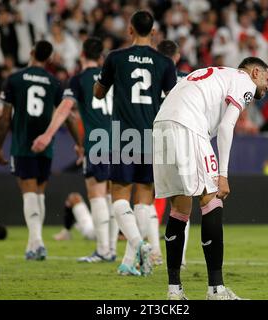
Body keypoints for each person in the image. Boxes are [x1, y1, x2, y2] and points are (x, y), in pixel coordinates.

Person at [153, 57, 268, 299]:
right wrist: (223, 175)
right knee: (212, 199)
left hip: (162, 124)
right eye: (267, 79)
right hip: (189, 125)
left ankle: (174, 291)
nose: (267, 86)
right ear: (256, 72)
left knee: (179, 208)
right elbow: (227, 127)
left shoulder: (215, 73)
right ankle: (216, 290)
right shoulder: (244, 81)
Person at [94, 10, 177, 276]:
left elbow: (99, 93)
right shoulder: (165, 63)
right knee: (144, 200)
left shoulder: (115, 58)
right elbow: (172, 99)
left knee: (118, 195)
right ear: (153, 32)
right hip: (152, 136)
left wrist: (105, 80)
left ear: (130, 30)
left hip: (123, 135)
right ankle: (130, 261)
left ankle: (138, 247)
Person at [32, 37, 118, 262]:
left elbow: (65, 109)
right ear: (101, 57)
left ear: (82, 55)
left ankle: (103, 250)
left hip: (98, 141)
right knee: (115, 195)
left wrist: (47, 135)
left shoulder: (78, 80)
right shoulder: (114, 78)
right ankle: (112, 250)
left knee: (97, 195)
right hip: (122, 141)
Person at [0, 40, 83, 261]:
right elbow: (69, 116)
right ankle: (33, 244)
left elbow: (5, 117)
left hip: (23, 143)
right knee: (39, 193)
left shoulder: (14, 79)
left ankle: (38, 243)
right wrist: (79, 143)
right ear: (50, 58)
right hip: (45, 145)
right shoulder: (54, 82)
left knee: (29, 192)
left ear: (31, 52)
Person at [157, 39, 190, 269]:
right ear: (177, 57)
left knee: (147, 196)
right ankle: (182, 257)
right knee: (184, 198)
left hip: (157, 136)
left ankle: (146, 253)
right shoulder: (189, 79)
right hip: (187, 138)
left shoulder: (154, 77)